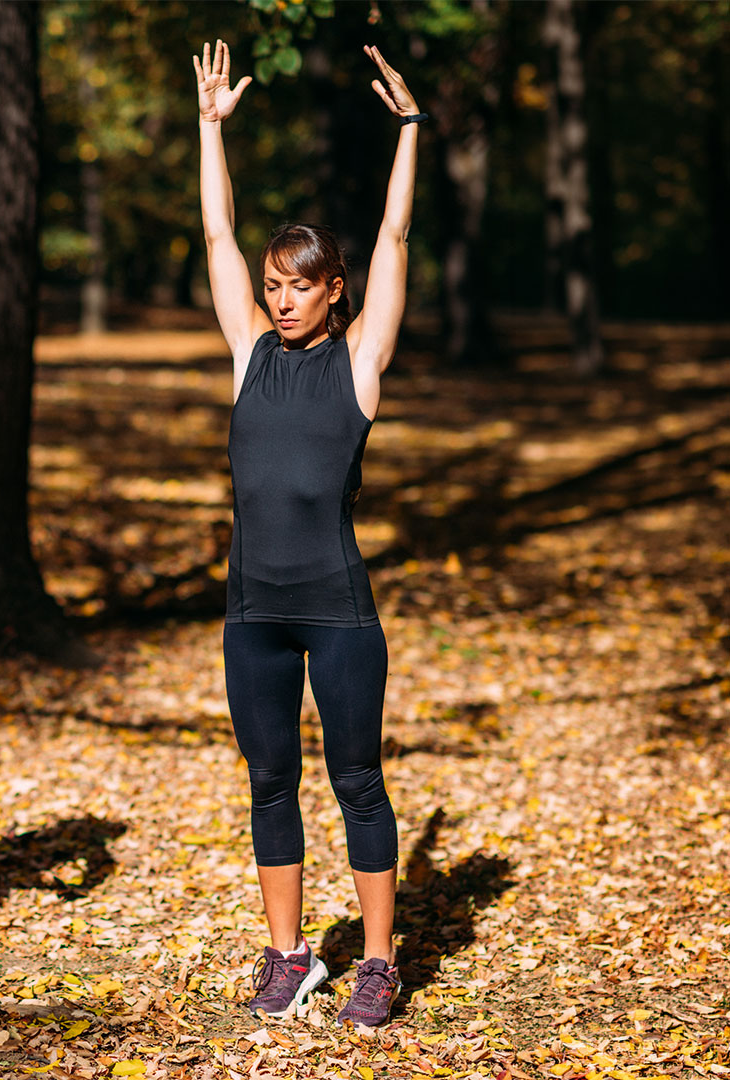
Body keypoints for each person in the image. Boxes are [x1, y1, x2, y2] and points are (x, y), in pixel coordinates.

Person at [194, 41, 424, 1027]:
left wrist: (409, 128)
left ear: (334, 289)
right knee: (270, 781)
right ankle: (289, 956)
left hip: (337, 613)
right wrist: (210, 130)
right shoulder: (249, 353)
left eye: (299, 285)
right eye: (273, 285)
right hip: (254, 611)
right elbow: (216, 232)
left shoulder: (359, 364)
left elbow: (396, 234)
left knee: (357, 780)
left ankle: (376, 962)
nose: (281, 299)